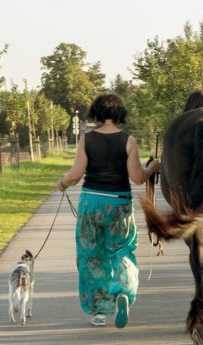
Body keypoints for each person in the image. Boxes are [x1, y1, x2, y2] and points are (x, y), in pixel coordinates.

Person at [56, 93, 160, 328]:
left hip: (91, 203)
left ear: (97, 113)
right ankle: (123, 292)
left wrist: (62, 184)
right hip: (119, 204)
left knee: (91, 257)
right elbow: (136, 178)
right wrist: (152, 167)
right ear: (119, 114)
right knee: (122, 252)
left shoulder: (87, 139)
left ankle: (99, 312)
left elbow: (75, 175)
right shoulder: (129, 141)